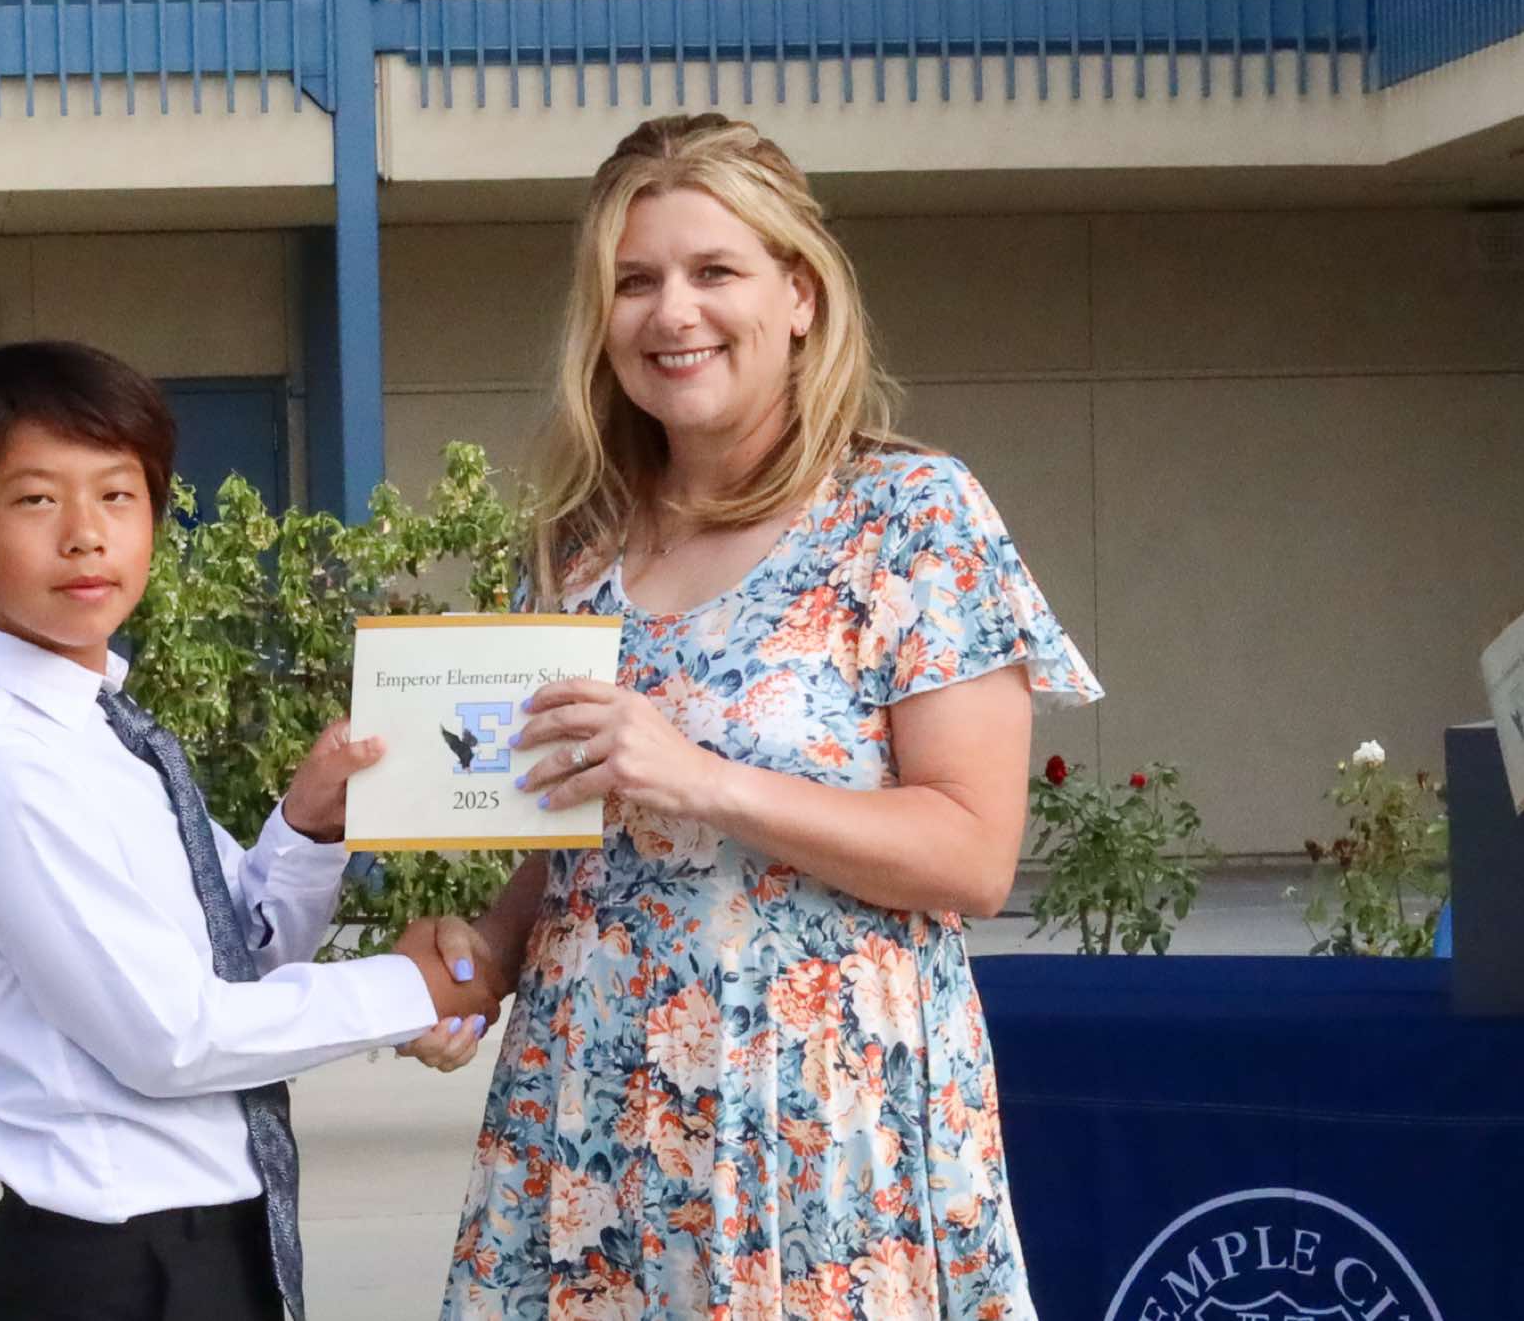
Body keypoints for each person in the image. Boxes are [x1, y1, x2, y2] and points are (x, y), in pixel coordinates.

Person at [410, 115, 1103, 1319]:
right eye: (634, 280)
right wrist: (477, 957)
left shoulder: (907, 517)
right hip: (586, 1126)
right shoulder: (576, 546)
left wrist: (706, 779)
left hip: (815, 1129)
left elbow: (972, 854)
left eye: (713, 270)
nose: (670, 312)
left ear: (798, 295)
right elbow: (572, 837)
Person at [0, 341, 501, 1321]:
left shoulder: (98, 732)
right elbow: (172, 1037)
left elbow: (235, 962)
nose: (85, 536)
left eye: (117, 495)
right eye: (37, 500)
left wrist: (308, 828)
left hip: (197, 1248)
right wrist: (416, 987)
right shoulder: (6, 767)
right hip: (110, 1271)